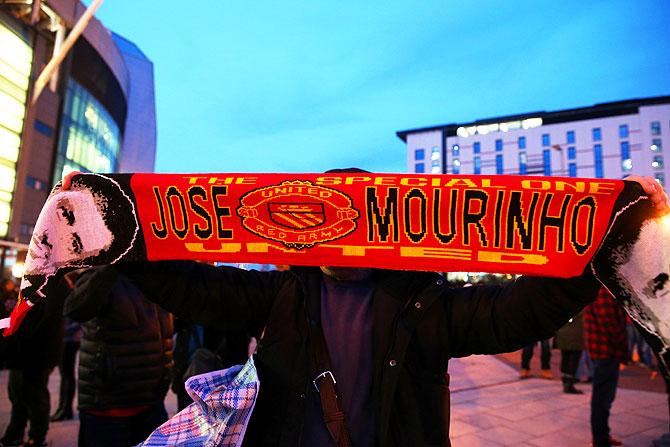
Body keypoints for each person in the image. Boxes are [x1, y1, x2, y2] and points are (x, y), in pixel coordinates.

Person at [59, 171, 669, 446]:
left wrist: (599, 248)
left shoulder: (423, 304)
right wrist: (112, 227)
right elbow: (191, 287)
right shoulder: (279, 297)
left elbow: (513, 314)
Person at [64, 266, 174, 447]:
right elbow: (75, 309)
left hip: (152, 403)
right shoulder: (104, 273)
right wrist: (112, 264)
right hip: (109, 408)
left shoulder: (158, 273)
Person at [0, 277, 67, 447]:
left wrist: (18, 333)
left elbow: (39, 318)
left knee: (34, 395)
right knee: (18, 393)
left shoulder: (53, 283)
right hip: (26, 350)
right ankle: (15, 432)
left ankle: (37, 436)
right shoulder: (41, 280)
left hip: (37, 351)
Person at [584, 287, 629, 447]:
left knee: (603, 398)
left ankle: (602, 436)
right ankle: (600, 439)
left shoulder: (599, 290)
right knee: (602, 399)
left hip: (603, 351)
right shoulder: (603, 291)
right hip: (606, 351)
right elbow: (610, 325)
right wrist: (624, 350)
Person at [554, 310, 585, 394]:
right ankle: (568, 384)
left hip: (564, 335)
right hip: (574, 337)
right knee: (572, 361)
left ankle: (566, 382)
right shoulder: (577, 306)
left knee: (566, 358)